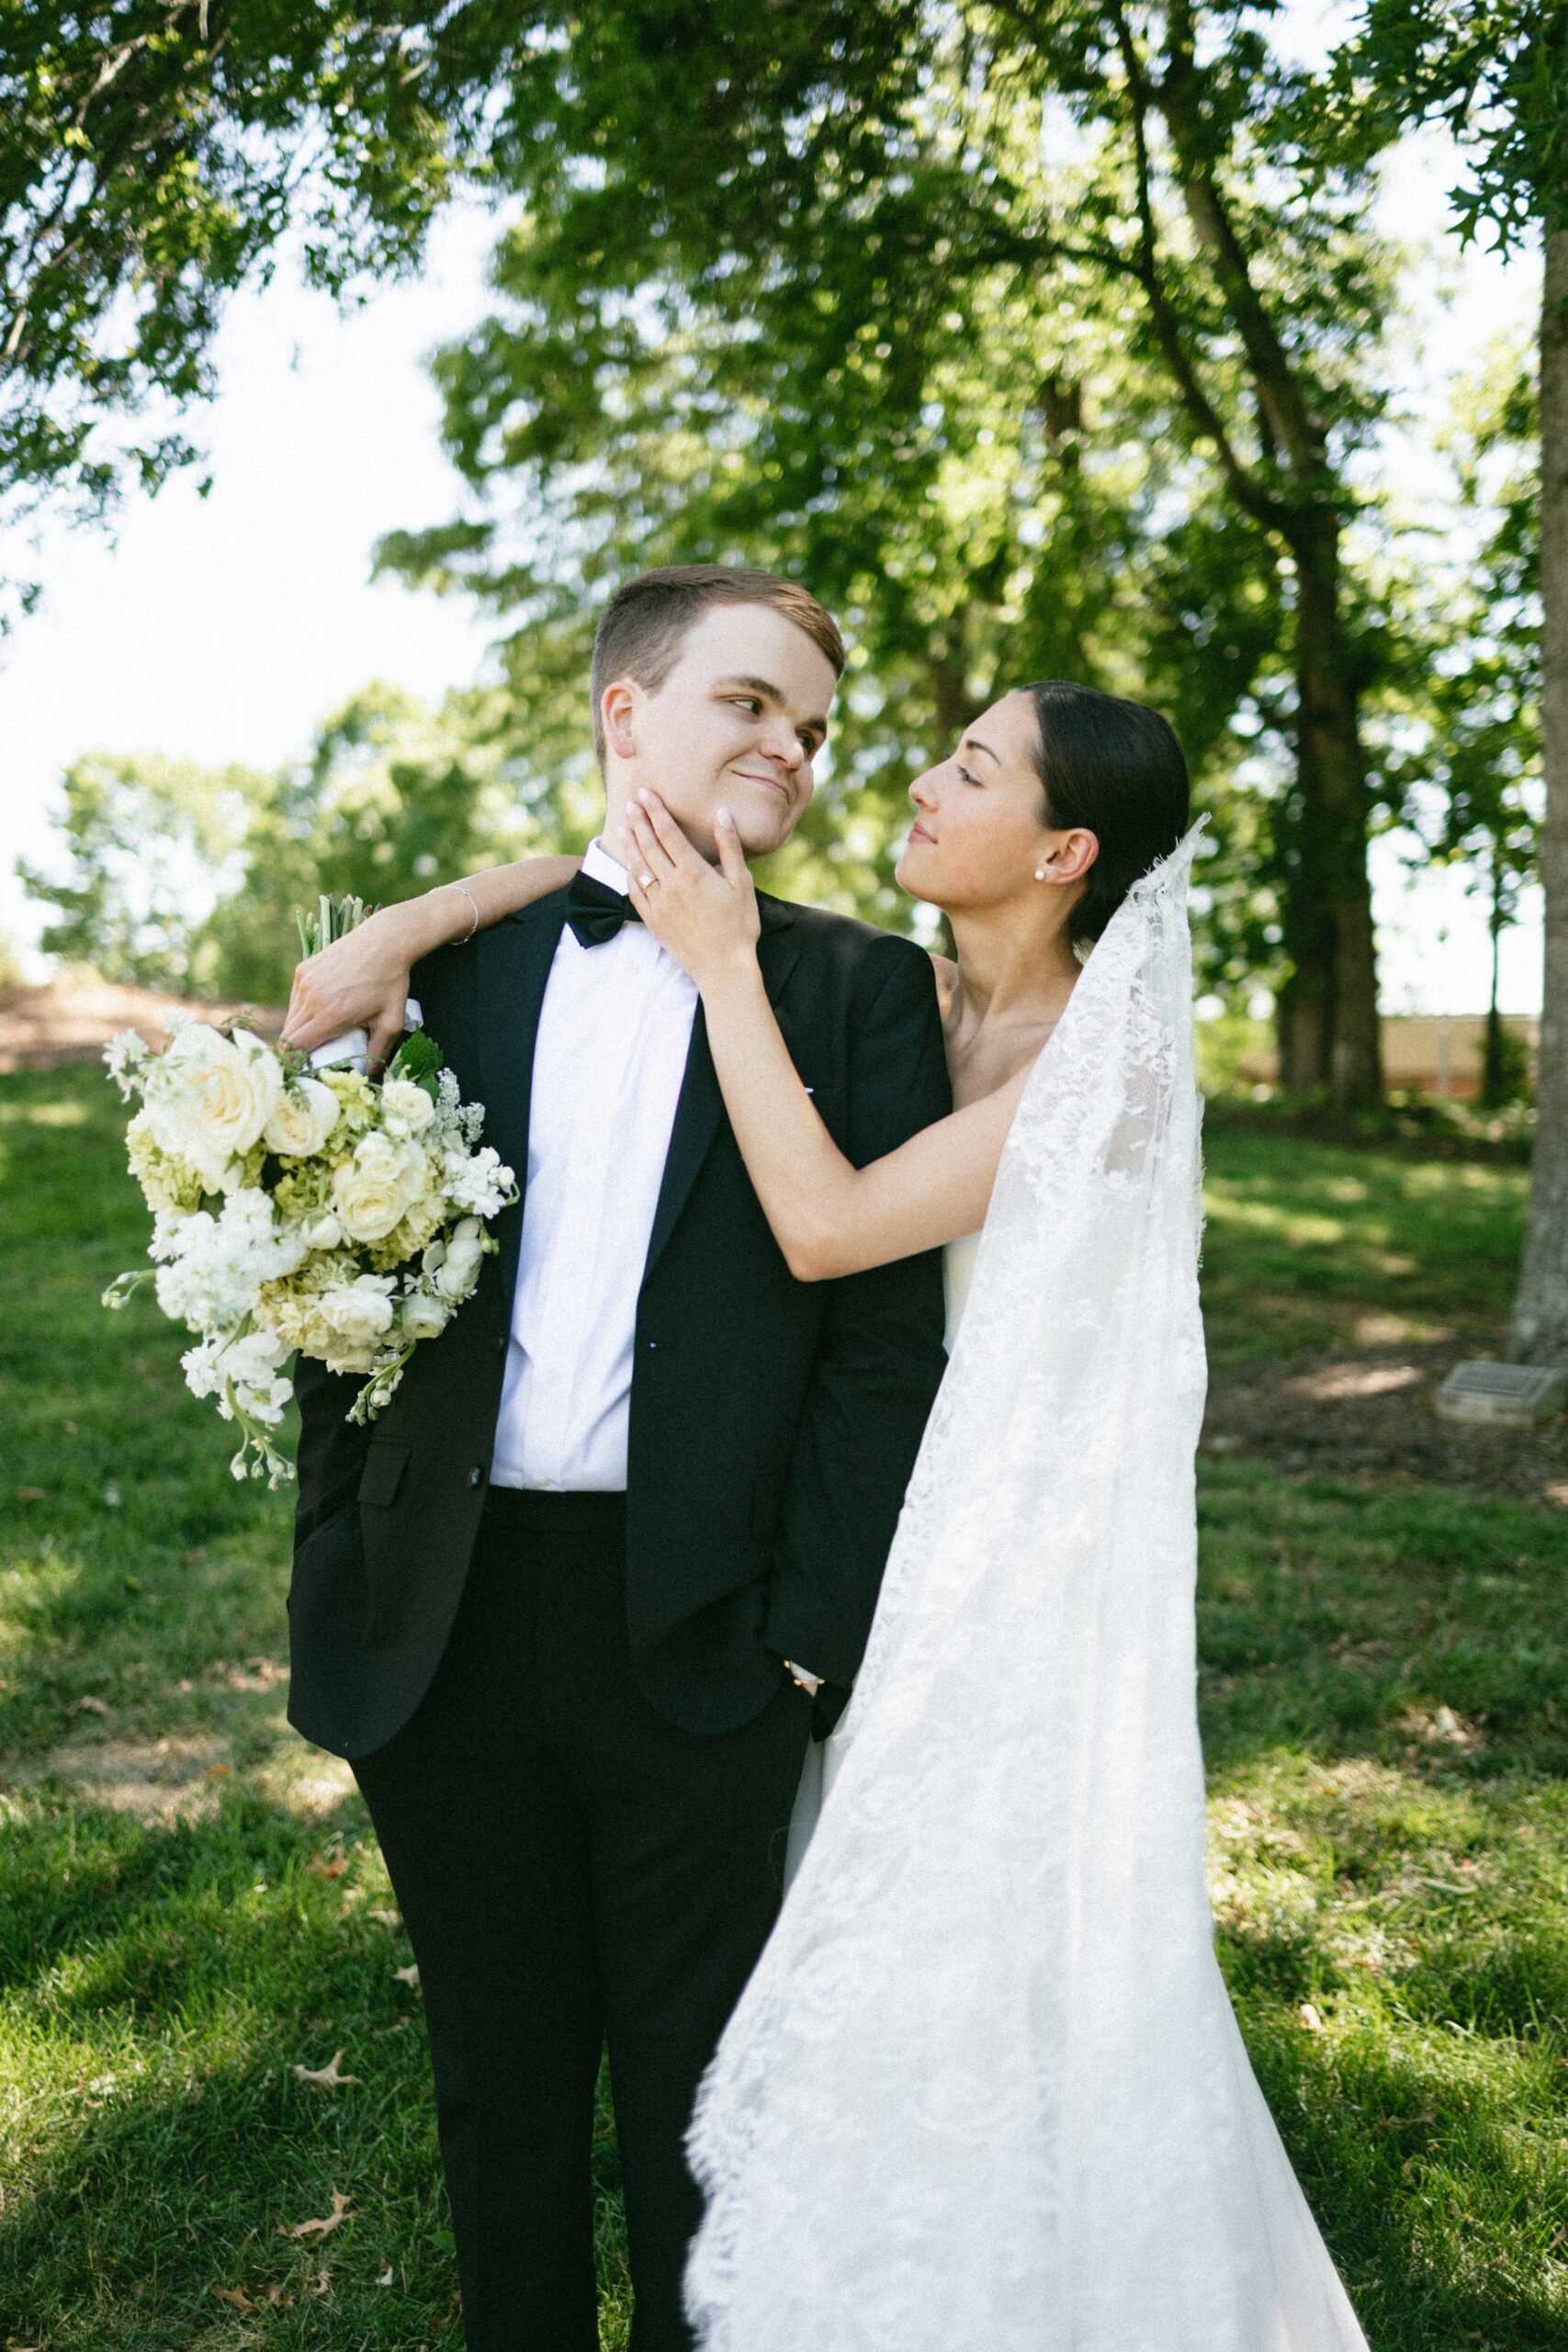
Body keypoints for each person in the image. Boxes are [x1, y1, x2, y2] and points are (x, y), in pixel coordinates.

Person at [287, 672, 1371, 2348]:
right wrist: (420, 920)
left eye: (973, 766)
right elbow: (624, 879)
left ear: (1067, 848)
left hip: (997, 1580)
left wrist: (720, 969)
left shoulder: (1115, 1060)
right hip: (863, 1537)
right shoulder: (910, 1001)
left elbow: (825, 1228)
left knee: (968, 1992)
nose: (919, 782)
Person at [280, 564, 953, 2352]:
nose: (790, 750)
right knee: (498, 2098)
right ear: (623, 712)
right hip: (447, 1621)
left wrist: (802, 1639)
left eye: (811, 726)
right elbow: (329, 1301)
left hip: (710, 1630)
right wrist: (344, 1560)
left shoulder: (856, 989)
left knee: (695, 2118)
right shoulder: (448, 975)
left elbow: (883, 1354)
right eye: (748, 702)